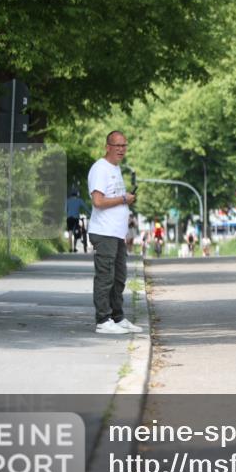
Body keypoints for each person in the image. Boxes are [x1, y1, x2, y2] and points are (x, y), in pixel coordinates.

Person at [87, 131, 143, 335]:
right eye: (117, 145)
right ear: (107, 147)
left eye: (124, 145)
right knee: (105, 277)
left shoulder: (116, 169)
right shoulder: (100, 169)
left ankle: (117, 317)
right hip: (104, 232)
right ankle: (103, 320)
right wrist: (124, 199)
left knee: (119, 277)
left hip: (117, 233)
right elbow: (98, 201)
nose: (121, 149)